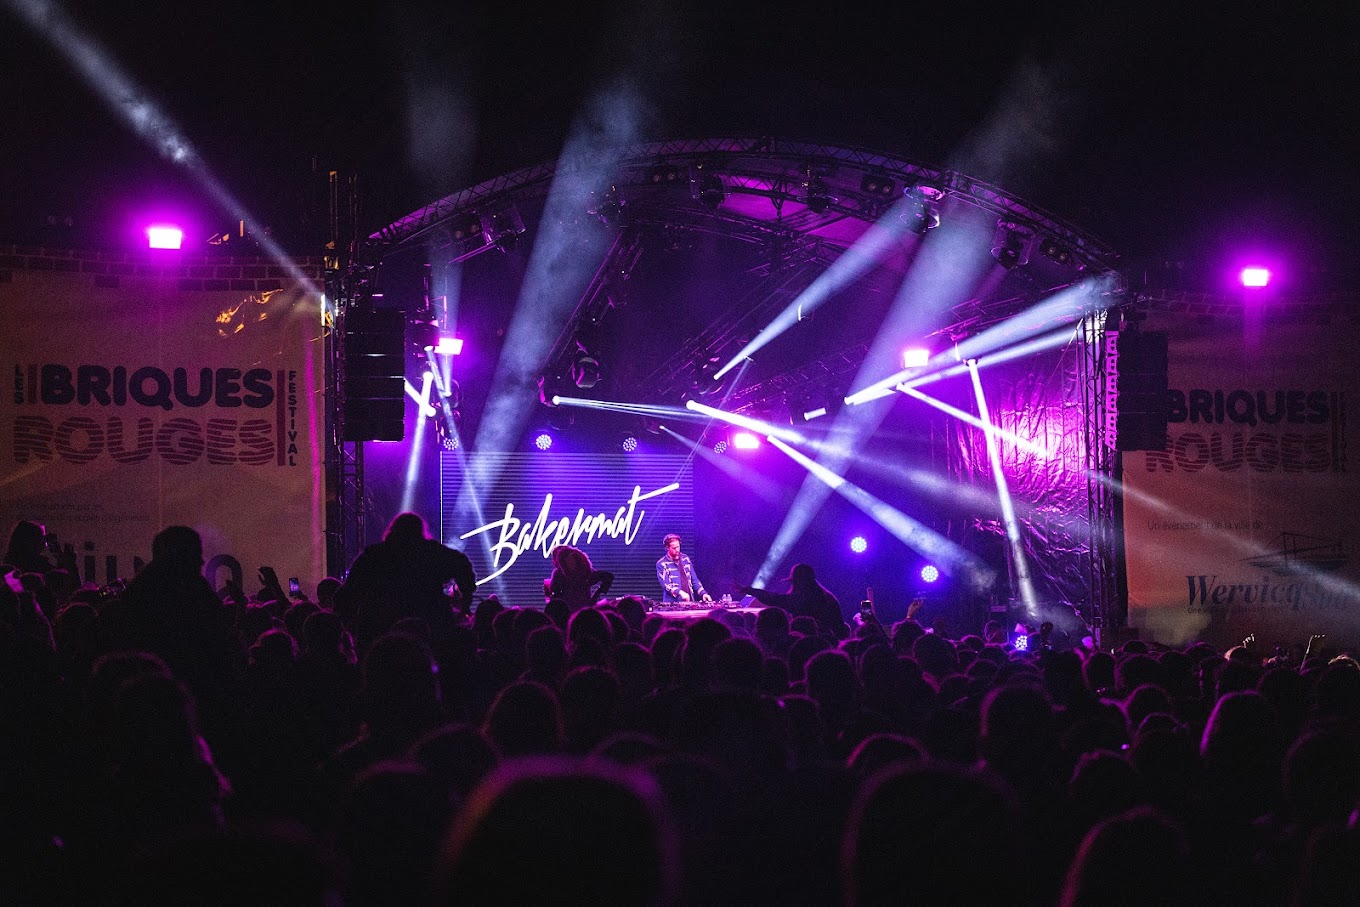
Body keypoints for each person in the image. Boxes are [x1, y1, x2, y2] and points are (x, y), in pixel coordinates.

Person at [333, 512, 477, 654]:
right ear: (421, 531)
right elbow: (462, 565)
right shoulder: (432, 552)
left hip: (380, 626)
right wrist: (466, 599)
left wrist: (346, 625)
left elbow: (348, 592)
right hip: (428, 623)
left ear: (393, 530)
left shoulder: (374, 555)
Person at [740, 562, 848, 640]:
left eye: (793, 582)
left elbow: (775, 599)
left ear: (800, 582)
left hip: (812, 643)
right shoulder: (827, 596)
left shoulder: (804, 598)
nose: (792, 586)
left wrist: (750, 590)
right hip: (831, 642)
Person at [543, 544, 613, 612]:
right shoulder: (585, 571)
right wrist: (597, 594)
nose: (553, 561)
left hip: (568, 612)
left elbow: (554, 596)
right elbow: (608, 576)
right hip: (585, 610)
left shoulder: (558, 574)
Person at [656, 533, 710, 605]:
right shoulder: (661, 563)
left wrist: (703, 593)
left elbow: (694, 580)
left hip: (689, 602)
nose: (677, 550)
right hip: (672, 604)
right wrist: (680, 592)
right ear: (667, 548)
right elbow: (666, 585)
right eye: (674, 548)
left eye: (678, 547)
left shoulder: (685, 559)